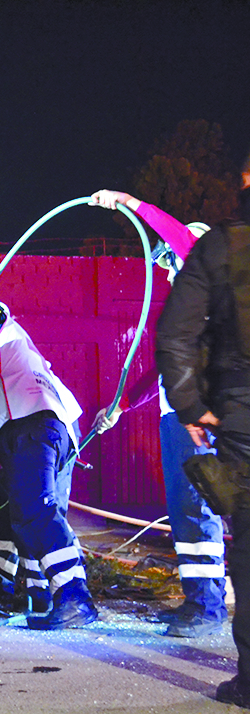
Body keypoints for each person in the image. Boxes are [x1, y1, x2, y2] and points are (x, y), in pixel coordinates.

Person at [89, 188, 225, 638]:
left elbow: (182, 240)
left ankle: (206, 607)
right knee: (188, 509)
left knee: (196, 505)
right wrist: (122, 406)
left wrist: (130, 204)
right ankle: (200, 600)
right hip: (181, 417)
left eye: (171, 263)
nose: (168, 273)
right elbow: (163, 371)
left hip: (199, 418)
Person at [155, 159, 250, 708]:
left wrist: (192, 406)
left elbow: (176, 337)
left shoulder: (219, 247)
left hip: (236, 413)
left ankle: (211, 607)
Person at [0, 293, 96, 630]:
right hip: (38, 426)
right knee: (12, 509)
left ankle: (74, 596)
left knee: (35, 510)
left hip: (29, 420)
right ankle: (31, 592)